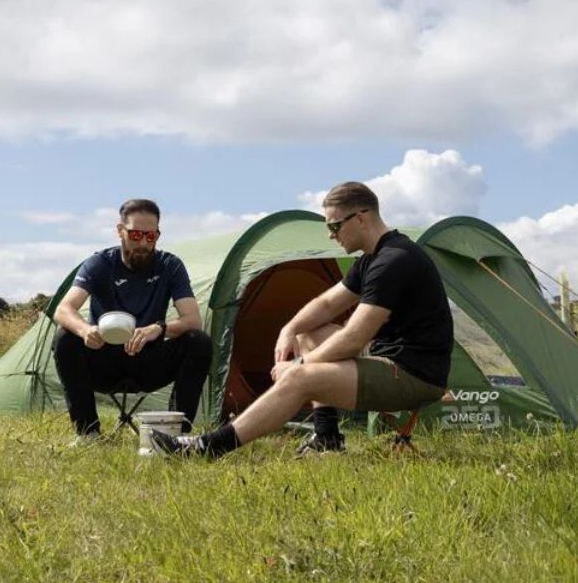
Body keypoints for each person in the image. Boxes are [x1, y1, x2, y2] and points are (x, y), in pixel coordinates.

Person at [150, 181, 453, 459]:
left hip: (414, 376)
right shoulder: (372, 259)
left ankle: (209, 447)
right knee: (307, 334)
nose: (331, 235)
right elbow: (326, 303)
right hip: (390, 363)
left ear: (361, 218)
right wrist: (290, 329)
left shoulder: (394, 261)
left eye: (335, 225)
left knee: (299, 378)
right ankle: (327, 437)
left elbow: (354, 339)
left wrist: (298, 367)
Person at [53, 198, 212, 442]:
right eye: (136, 234)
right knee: (65, 336)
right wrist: (85, 330)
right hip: (104, 360)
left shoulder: (170, 265)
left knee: (198, 342)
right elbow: (63, 309)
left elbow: (193, 320)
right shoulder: (99, 264)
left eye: (151, 236)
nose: (143, 242)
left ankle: (175, 437)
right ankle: (88, 434)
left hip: (149, 361)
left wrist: (159, 329)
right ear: (120, 231)